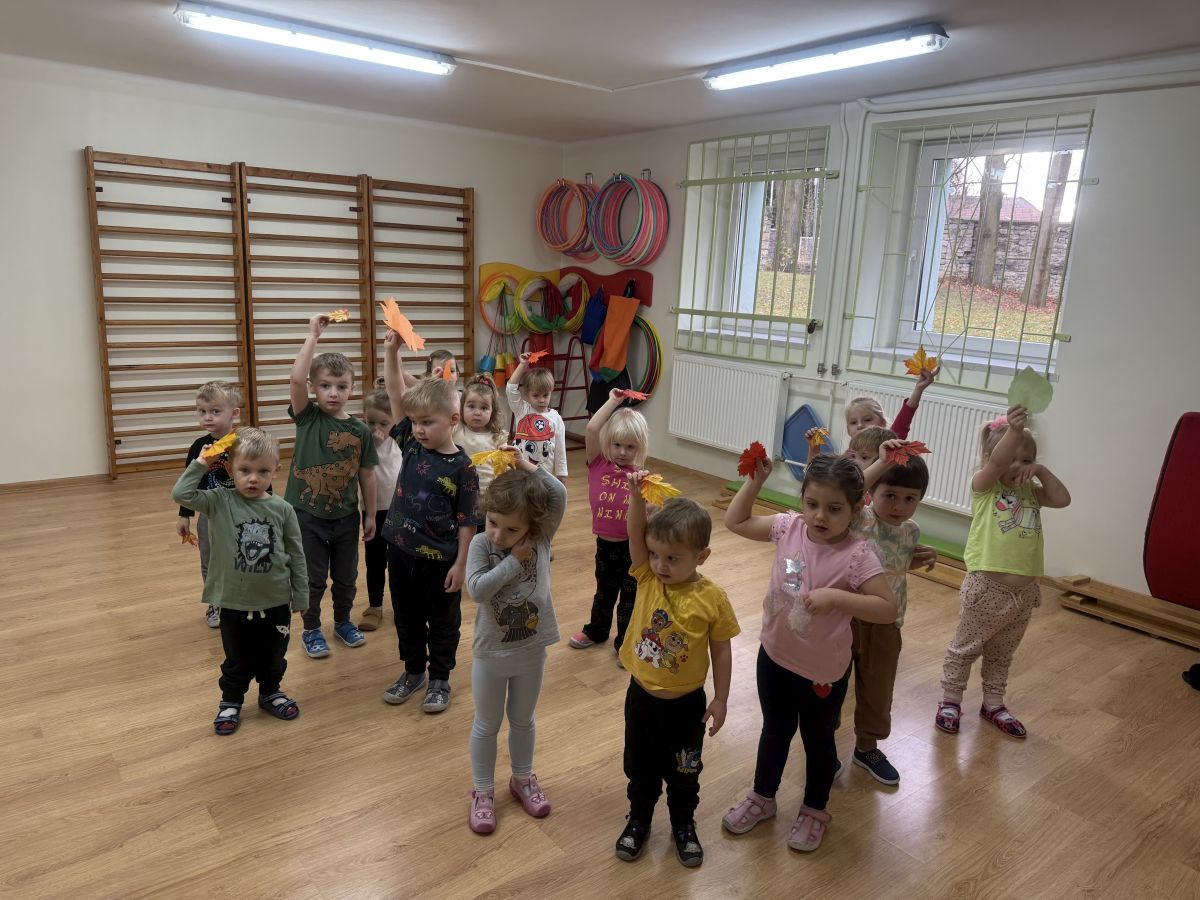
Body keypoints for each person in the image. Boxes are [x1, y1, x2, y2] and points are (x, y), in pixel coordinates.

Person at [722, 454, 896, 852]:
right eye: (812, 503)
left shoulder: (858, 555)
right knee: (774, 731)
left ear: (855, 510)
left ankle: (815, 810)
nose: (820, 516)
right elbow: (736, 521)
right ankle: (762, 797)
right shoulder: (789, 527)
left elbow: (887, 609)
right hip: (774, 656)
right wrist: (755, 482)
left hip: (821, 673)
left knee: (818, 743)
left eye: (834, 509)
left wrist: (837, 598)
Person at [613, 474, 739, 868]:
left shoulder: (713, 598)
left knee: (685, 772)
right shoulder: (648, 577)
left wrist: (721, 698)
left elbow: (722, 650)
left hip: (687, 708)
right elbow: (635, 535)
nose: (660, 565)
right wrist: (635, 498)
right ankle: (639, 819)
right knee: (640, 768)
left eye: (672, 558)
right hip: (641, 699)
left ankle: (683, 824)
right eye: (655, 554)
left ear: (702, 556)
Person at [936, 405, 1070, 738]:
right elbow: (997, 464)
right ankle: (950, 701)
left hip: (1023, 595)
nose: (1019, 466)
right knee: (965, 648)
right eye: (1012, 458)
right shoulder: (985, 488)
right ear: (989, 458)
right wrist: (1014, 431)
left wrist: (1041, 469)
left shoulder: (1032, 493)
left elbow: (1062, 499)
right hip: (987, 589)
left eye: (1026, 460)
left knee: (1002, 653)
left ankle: (993, 704)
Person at [171, 427, 307, 736]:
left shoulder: (283, 509)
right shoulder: (219, 501)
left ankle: (270, 692)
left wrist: (301, 596)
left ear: (276, 471)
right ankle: (231, 700)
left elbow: (297, 555)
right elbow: (181, 494)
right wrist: (203, 462)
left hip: (276, 601)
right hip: (233, 602)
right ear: (231, 469)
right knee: (237, 658)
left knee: (274, 656)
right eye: (245, 470)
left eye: (263, 471)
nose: (253, 479)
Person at [464, 452, 567, 833]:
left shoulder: (541, 537)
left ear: (532, 526)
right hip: (491, 654)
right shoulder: (481, 545)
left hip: (531, 651)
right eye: (493, 523)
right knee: (487, 724)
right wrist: (511, 561)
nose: (498, 535)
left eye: (511, 530)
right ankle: (482, 791)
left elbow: (557, 494)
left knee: (523, 720)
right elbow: (476, 590)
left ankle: (522, 779)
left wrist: (525, 465)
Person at [380, 332, 478, 713]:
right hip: (400, 551)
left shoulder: (463, 468)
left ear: (452, 420)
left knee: (442, 621)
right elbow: (395, 392)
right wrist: (391, 351)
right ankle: (413, 672)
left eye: (427, 422)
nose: (418, 428)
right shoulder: (410, 442)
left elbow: (468, 521)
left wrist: (462, 563)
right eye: (415, 422)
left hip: (439, 560)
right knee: (405, 617)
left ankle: (439, 677)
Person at [842, 445, 937, 785]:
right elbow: (850, 492)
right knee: (830, 686)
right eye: (890, 495)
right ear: (873, 493)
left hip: (886, 624)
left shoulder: (911, 531)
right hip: (845, 618)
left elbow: (894, 566)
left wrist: (919, 559)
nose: (899, 506)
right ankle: (821, 743)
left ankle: (867, 747)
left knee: (879, 690)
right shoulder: (860, 519)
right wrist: (880, 464)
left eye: (910, 499)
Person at [287, 314, 378, 659]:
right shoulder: (307, 416)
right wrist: (313, 335)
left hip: (345, 516)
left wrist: (370, 514)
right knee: (312, 578)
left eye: (341, 386)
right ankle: (311, 628)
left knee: (346, 577)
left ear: (352, 388)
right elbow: (296, 379)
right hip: (306, 515)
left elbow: (367, 474)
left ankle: (342, 621)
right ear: (314, 387)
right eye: (325, 385)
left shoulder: (360, 431)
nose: (333, 393)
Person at [568, 389, 650, 658]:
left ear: (640, 448)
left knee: (629, 599)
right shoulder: (598, 463)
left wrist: (647, 503)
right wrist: (613, 400)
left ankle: (625, 644)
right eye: (617, 445)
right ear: (608, 444)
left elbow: (649, 514)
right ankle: (596, 630)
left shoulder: (640, 478)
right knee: (604, 592)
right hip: (604, 545)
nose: (623, 452)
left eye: (630, 447)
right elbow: (592, 428)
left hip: (632, 549)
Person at [176, 380, 242, 628]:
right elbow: (189, 484)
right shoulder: (198, 447)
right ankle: (215, 602)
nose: (208, 417)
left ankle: (239, 601)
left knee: (241, 558)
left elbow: (261, 474)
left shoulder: (245, 442)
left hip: (242, 514)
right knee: (210, 560)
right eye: (202, 411)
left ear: (234, 413)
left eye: (215, 411)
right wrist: (185, 515)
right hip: (210, 516)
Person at [357, 388, 403, 633]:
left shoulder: (401, 441)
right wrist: (369, 515)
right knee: (374, 561)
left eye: (383, 423)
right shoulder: (361, 443)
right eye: (370, 422)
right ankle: (375, 606)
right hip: (371, 513)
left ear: (394, 420)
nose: (376, 429)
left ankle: (400, 607)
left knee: (398, 563)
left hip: (398, 512)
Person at [453, 375, 508, 524]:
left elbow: (503, 469)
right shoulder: (456, 429)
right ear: (462, 407)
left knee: (484, 530)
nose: (477, 412)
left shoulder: (497, 437)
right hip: (458, 494)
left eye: (484, 408)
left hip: (487, 497)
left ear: (492, 411)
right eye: (471, 406)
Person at [506, 352, 568, 482]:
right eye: (536, 395)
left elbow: (560, 449)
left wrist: (561, 474)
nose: (541, 400)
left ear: (551, 392)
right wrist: (523, 365)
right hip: (518, 473)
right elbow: (510, 388)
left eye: (545, 395)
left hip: (543, 475)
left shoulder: (555, 417)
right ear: (527, 393)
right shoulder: (522, 410)